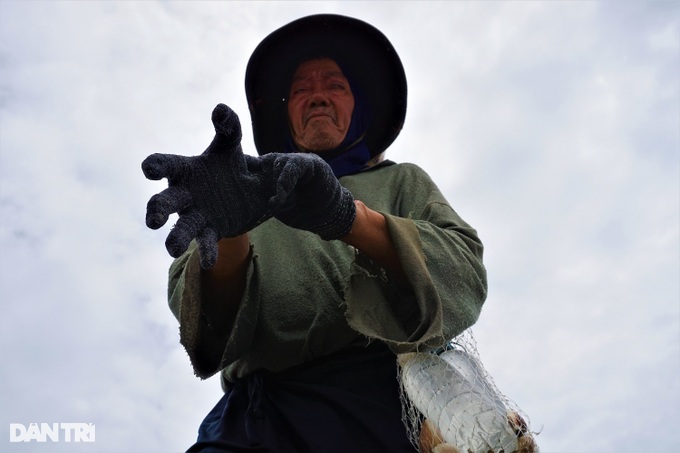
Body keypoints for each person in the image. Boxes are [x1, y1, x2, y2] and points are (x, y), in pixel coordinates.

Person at [142, 14, 487, 453]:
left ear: (357, 105)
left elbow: (464, 273)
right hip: (252, 420)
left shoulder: (401, 181)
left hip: (387, 410)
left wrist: (348, 218)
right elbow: (203, 325)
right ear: (286, 112)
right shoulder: (245, 191)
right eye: (301, 89)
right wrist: (231, 230)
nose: (318, 95)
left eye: (335, 85)